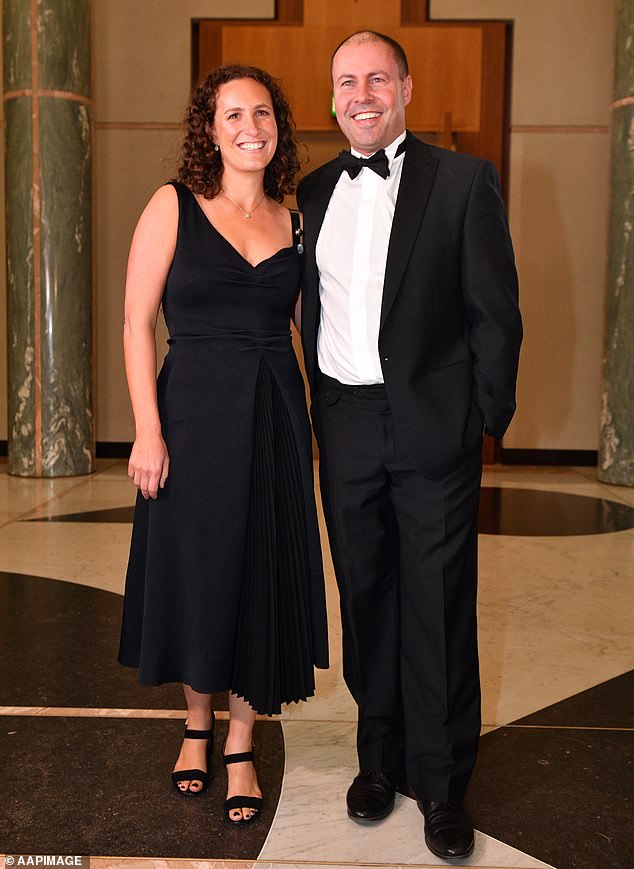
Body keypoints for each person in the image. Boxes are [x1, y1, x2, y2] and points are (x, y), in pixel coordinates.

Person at [297, 31, 522, 861]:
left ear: (406, 88)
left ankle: (442, 780)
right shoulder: (312, 193)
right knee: (367, 600)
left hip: (435, 428)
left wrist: (479, 420)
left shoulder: (463, 182)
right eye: (347, 82)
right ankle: (378, 760)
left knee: (436, 606)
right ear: (332, 100)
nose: (362, 94)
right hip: (346, 427)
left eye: (377, 79)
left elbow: (496, 309)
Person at [118, 64, 328, 824]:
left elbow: (318, 331)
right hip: (192, 414)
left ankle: (241, 737)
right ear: (210, 128)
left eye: (263, 113)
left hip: (274, 414)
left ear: (279, 127)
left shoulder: (296, 221)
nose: (250, 126)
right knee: (199, 568)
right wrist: (147, 426)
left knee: (258, 571)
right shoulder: (172, 205)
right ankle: (196, 725)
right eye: (233, 114)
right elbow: (137, 320)